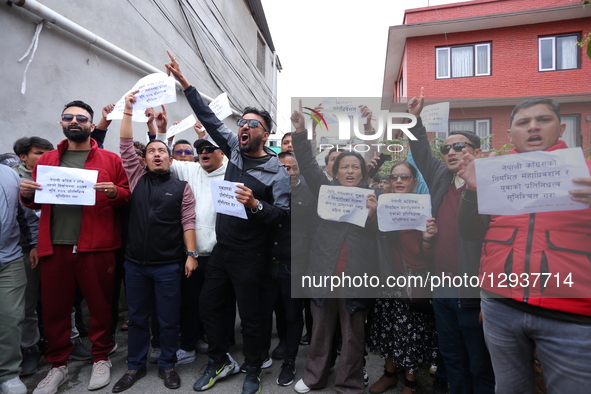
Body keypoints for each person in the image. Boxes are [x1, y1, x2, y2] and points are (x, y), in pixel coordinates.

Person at [165, 50, 290, 394]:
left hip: (252, 254)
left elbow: (282, 214)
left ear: (266, 134)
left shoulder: (277, 171)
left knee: (250, 315)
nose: (244, 127)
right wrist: (185, 83)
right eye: (243, 122)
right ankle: (219, 360)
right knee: (210, 306)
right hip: (223, 249)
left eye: (253, 124)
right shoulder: (233, 148)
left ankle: (252, 368)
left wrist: (255, 205)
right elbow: (208, 116)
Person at [457, 97, 591, 393]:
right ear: (510, 134)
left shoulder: (587, 172)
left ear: (561, 127)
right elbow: (470, 232)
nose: (533, 127)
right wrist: (471, 190)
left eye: (543, 120)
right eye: (523, 122)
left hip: (572, 315)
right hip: (500, 307)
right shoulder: (494, 174)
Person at [19, 100, 131, 394]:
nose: (74, 121)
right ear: (61, 123)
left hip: (97, 246)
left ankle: (101, 357)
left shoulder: (110, 160)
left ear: (92, 126)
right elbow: (35, 202)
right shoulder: (47, 161)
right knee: (55, 309)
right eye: (68, 117)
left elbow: (126, 197)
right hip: (55, 245)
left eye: (81, 118)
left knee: (100, 306)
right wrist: (28, 194)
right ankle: (58, 366)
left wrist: (114, 191)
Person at [406, 88, 495, 394]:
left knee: (479, 361)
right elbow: (420, 151)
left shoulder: (493, 184)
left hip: (475, 289)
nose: (451, 152)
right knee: (452, 356)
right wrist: (415, 119)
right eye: (446, 149)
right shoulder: (441, 177)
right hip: (442, 287)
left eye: (460, 146)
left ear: (478, 152)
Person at [111, 90, 197, 392]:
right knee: (136, 319)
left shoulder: (182, 187)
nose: (157, 154)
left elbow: (188, 222)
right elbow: (124, 145)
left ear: (170, 158)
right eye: (151, 151)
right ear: (144, 159)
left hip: (168, 266)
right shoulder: (135, 178)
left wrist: (191, 254)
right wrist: (128, 111)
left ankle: (168, 365)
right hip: (135, 265)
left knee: (168, 319)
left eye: (162, 151)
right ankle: (134, 367)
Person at [290, 104, 378, 394]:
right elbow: (307, 163)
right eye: (344, 167)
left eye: (355, 166)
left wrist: (375, 215)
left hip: (356, 276)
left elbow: (385, 236)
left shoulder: (372, 197)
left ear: (362, 172)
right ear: (336, 172)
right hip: (324, 273)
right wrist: (301, 132)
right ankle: (314, 376)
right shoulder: (324, 191)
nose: (350, 170)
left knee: (354, 334)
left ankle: (349, 382)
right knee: (320, 330)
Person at [368, 161, 438, 394]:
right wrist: (372, 214)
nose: (399, 181)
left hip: (412, 279)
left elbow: (428, 254)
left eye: (405, 177)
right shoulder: (382, 205)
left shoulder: (424, 208)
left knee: (411, 334)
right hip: (386, 279)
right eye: (395, 177)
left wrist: (428, 239)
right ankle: (389, 374)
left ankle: (410, 381)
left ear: (414, 182)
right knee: (386, 329)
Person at [0, 164, 31, 394]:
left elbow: (25, 214)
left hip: (9, 258)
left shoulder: (9, 174)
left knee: (12, 318)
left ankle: (9, 374)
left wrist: (35, 244)